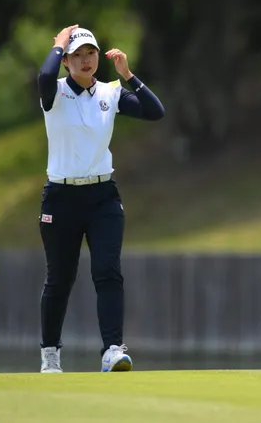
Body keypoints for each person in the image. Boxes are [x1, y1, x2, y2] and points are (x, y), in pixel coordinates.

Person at [36, 25, 165, 373]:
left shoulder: (111, 92)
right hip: (61, 197)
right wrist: (59, 44)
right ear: (66, 61)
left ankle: (112, 349)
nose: (85, 60)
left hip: (102, 197)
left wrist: (129, 75)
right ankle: (50, 353)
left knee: (107, 271)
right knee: (60, 279)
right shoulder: (54, 92)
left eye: (90, 53)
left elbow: (155, 111)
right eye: (76, 55)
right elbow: (44, 75)